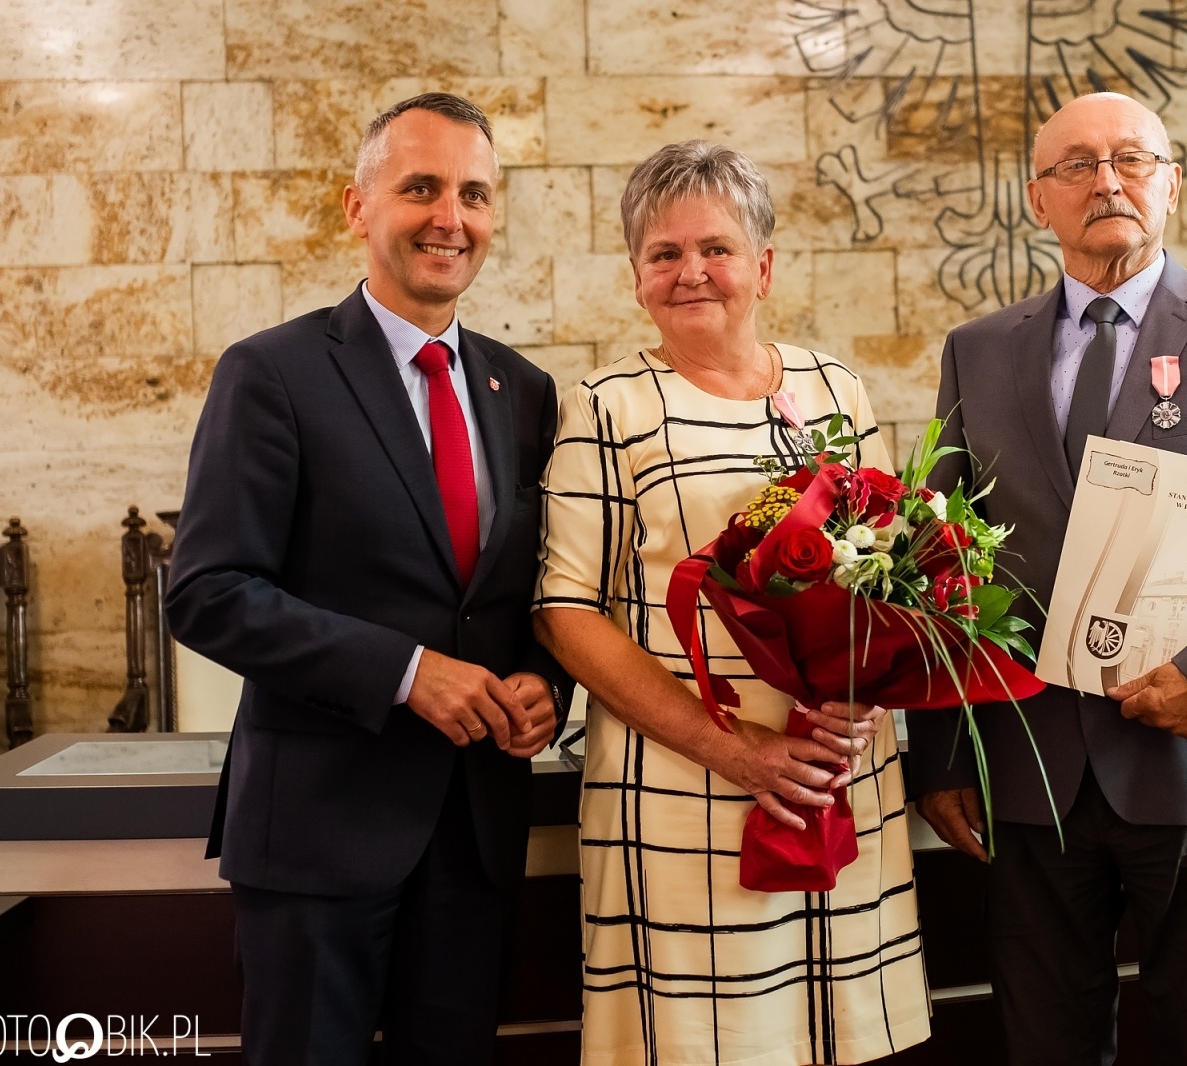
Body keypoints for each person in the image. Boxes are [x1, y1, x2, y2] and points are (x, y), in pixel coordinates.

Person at [908, 91, 1187, 1064]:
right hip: (1030, 777)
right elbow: (942, 563)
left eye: (1130, 158)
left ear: (1171, 183)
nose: (1105, 179)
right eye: (1074, 164)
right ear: (1037, 199)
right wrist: (944, 749)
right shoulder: (975, 353)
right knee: (1046, 1044)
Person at [166, 92, 570, 1065]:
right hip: (318, 828)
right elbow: (208, 588)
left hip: (474, 829)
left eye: (474, 193)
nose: (450, 216)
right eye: (421, 187)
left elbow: (523, 594)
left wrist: (542, 686)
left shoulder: (527, 392)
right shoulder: (272, 374)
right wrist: (405, 670)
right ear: (358, 207)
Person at [532, 141, 931, 1066]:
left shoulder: (836, 391)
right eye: (663, 254)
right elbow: (566, 610)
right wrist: (733, 750)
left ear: (763, 264)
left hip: (837, 770)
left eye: (714, 247)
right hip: (684, 789)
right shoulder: (610, 407)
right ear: (637, 278)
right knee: (714, 1044)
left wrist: (862, 689)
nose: (690, 273)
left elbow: (892, 577)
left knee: (844, 1038)